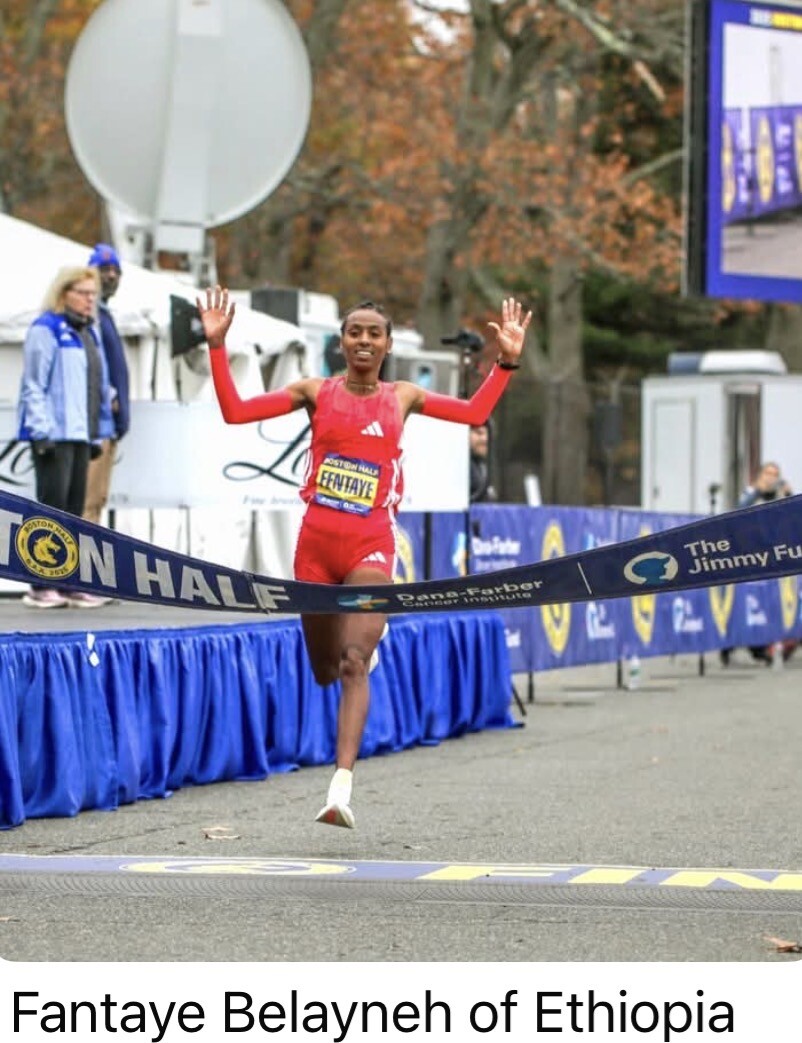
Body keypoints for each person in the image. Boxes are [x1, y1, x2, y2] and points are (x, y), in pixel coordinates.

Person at [198, 286, 530, 829]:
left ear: (388, 345)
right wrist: (216, 345)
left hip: (370, 543)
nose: (364, 341)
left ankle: (340, 788)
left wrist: (506, 362)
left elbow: (475, 412)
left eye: (375, 334)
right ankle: (359, 642)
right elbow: (236, 412)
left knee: (354, 662)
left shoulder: (402, 397)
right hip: (316, 547)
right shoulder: (315, 391)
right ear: (341, 342)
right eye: (355, 332)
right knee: (324, 669)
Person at [17, 266, 114, 608]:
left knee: (73, 512)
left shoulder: (88, 333)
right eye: (83, 293)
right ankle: (39, 584)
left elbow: (93, 387)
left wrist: (96, 433)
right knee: (50, 509)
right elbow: (34, 384)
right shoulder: (46, 329)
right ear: (64, 293)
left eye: (93, 294)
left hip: (79, 433)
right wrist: (40, 431)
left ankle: (69, 581)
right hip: (53, 433)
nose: (90, 300)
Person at [720, 461, 795, 665]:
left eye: (775, 474)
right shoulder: (751, 493)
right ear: (760, 475)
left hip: (771, 556)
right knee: (742, 602)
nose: (771, 478)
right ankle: (729, 646)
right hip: (747, 555)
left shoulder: (779, 495)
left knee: (767, 603)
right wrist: (757, 492)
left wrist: (788, 495)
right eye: (768, 473)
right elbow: (739, 511)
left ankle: (761, 647)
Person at [83, 243, 130, 525]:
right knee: (88, 505)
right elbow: (91, 360)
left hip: (109, 426)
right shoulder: (89, 317)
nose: (111, 275)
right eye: (104, 269)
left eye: (116, 271)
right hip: (97, 425)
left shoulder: (104, 315)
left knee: (97, 501)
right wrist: (108, 395)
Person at [469, 422, 498, 503]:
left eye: (489, 434)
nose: (485, 439)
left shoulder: (481, 466)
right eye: (479, 433)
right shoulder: (458, 466)